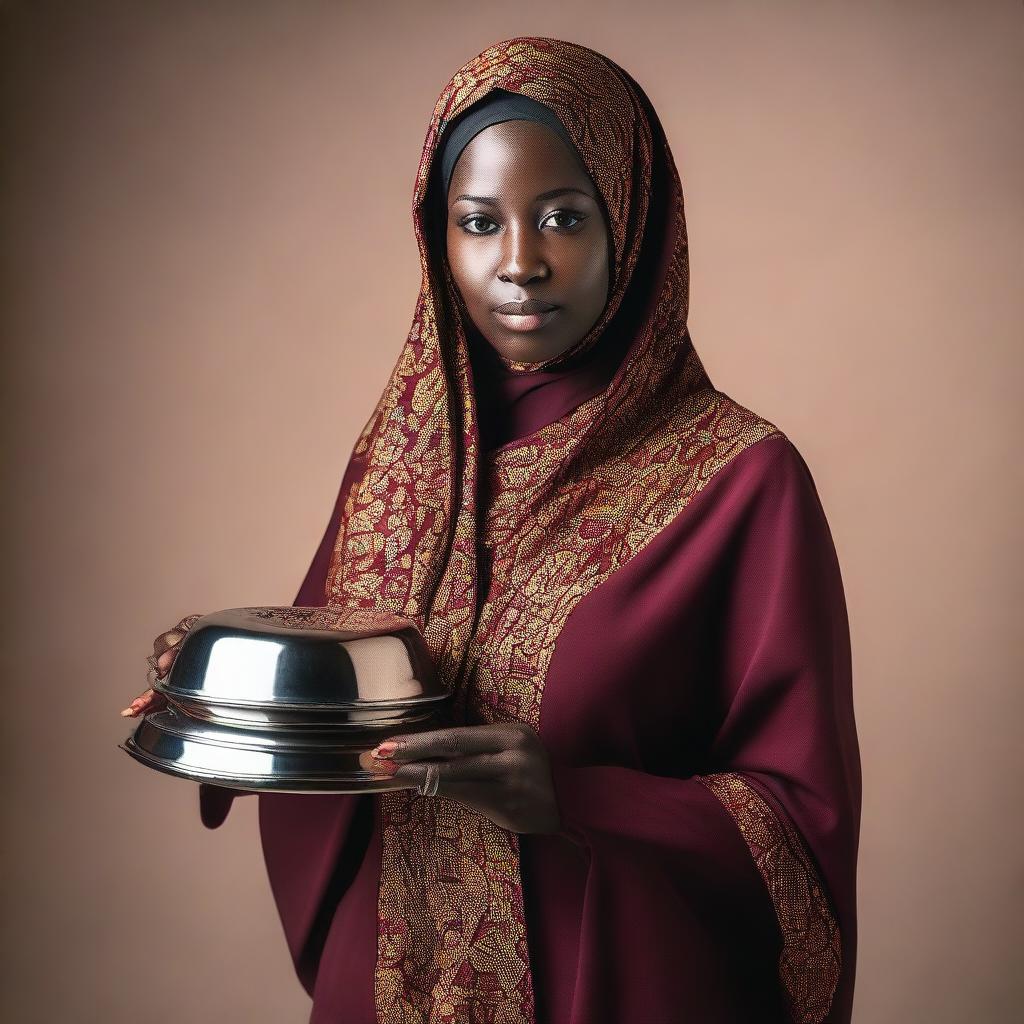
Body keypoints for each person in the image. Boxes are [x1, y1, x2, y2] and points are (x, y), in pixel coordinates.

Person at [121, 36, 862, 1024]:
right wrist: (218, 697)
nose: (519, 263)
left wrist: (577, 798)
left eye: (562, 216)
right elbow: (336, 712)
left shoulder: (737, 479)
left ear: (632, 224)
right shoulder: (401, 461)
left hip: (614, 983)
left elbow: (797, 822)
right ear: (438, 239)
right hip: (389, 983)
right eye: (478, 223)